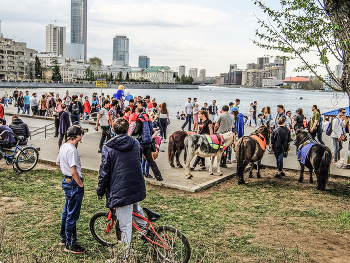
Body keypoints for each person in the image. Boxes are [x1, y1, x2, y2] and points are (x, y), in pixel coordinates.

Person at [97, 118, 147, 258]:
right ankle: (144, 229)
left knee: (124, 225)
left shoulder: (108, 147)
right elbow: (138, 159)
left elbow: (104, 172)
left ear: (113, 130)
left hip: (121, 189)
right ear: (127, 129)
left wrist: (100, 190)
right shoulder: (135, 142)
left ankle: (122, 258)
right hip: (136, 184)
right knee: (136, 208)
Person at [56, 124, 86, 254]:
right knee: (72, 215)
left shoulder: (64, 146)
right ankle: (71, 244)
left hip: (66, 180)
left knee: (66, 211)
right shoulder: (72, 150)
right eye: (81, 135)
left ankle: (64, 238)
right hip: (73, 182)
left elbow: (58, 162)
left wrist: (65, 169)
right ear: (78, 136)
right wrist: (80, 183)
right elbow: (74, 170)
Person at [132, 107, 163, 181]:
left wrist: (131, 131)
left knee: (138, 160)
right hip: (148, 143)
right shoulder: (148, 119)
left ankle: (137, 177)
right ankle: (158, 176)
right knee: (150, 160)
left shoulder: (140, 120)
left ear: (138, 112)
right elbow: (152, 131)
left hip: (141, 143)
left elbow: (136, 131)